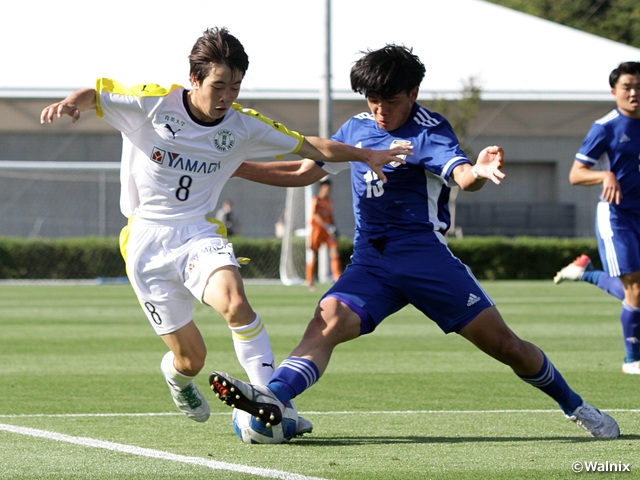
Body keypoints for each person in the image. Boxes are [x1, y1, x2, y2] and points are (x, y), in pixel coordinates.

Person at [209, 45, 620, 439]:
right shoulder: (355, 128)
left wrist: (478, 170)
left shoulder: (430, 129)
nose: (380, 110)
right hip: (370, 262)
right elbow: (302, 173)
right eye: (372, 100)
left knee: (506, 346)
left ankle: (576, 406)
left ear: (413, 93)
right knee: (326, 323)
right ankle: (271, 399)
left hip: (425, 260)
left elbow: (462, 178)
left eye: (390, 100)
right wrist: (235, 167)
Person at [39, 28, 412, 431]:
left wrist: (367, 154)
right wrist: (69, 104)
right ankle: (178, 379)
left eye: (235, 87)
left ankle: (272, 403)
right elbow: (97, 94)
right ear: (195, 79)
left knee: (236, 303)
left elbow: (310, 146)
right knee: (191, 359)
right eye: (218, 85)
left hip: (198, 233)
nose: (226, 97)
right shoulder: (152, 102)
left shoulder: (242, 126)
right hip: (146, 242)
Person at [553, 61, 640, 375]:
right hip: (616, 216)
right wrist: (604, 176)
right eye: (627, 87)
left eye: (638, 87)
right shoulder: (605, 128)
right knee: (636, 289)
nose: (634, 93)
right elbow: (576, 174)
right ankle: (632, 360)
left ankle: (585, 273)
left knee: (636, 289)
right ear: (614, 91)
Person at [306, 178, 342, 290]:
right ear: (321, 188)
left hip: (328, 231)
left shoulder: (329, 201)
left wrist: (334, 228)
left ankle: (338, 280)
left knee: (335, 252)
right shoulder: (316, 200)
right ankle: (310, 282)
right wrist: (326, 226)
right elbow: (315, 216)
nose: (328, 190)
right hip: (317, 230)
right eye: (326, 187)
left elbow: (330, 216)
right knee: (314, 255)